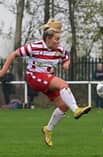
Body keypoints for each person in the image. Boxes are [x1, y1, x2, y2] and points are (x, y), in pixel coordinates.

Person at [0, 18, 91, 147]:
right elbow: (14, 54)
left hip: (47, 78)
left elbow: (67, 58)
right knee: (63, 85)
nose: (59, 42)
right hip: (34, 77)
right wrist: (3, 71)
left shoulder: (59, 50)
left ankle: (48, 129)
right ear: (48, 39)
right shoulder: (34, 47)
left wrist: (66, 64)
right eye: (56, 39)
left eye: (59, 39)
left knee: (63, 106)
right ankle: (76, 110)